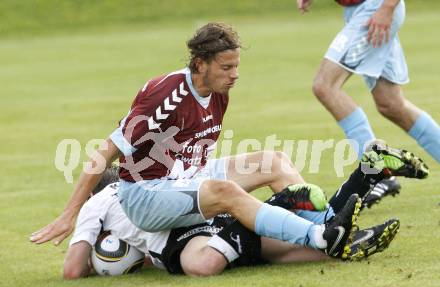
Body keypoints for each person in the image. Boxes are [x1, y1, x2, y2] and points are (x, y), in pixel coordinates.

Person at [31, 23, 426, 261]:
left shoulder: (219, 91)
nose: (235, 74)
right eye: (227, 67)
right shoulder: (163, 96)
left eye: (237, 66)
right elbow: (106, 151)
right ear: (199, 64)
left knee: (273, 161)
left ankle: (331, 226)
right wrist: (71, 213)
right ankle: (321, 237)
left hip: (186, 175)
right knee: (226, 190)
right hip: (145, 196)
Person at [64, 147, 415, 279]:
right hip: (214, 218)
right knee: (309, 250)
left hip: (185, 237)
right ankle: (364, 180)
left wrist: (100, 254)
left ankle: (282, 204)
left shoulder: (101, 200)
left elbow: (72, 270)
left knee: (202, 265)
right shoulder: (144, 185)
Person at [296, 0, 440, 205]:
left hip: (377, 8)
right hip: (361, 11)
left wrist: (387, 7)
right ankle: (379, 172)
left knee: (324, 86)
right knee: (391, 104)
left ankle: (377, 172)